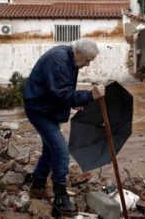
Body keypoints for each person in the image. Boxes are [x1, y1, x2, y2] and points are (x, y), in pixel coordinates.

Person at [23, 38, 105, 217]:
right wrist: (90, 95)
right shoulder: (59, 59)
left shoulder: (69, 59)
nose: (88, 65)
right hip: (39, 109)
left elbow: (62, 91)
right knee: (61, 151)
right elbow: (62, 93)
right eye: (87, 60)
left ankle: (37, 185)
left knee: (50, 149)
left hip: (48, 107)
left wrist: (74, 101)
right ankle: (60, 197)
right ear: (78, 53)